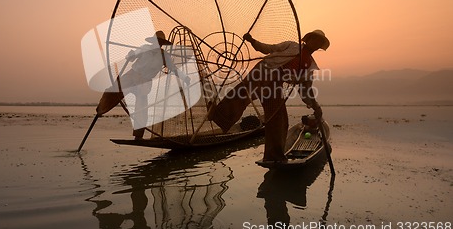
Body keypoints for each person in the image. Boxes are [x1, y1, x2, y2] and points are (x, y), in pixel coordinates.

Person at [208, 30, 330, 162]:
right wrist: (253, 41)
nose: (316, 43)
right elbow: (269, 49)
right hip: (263, 70)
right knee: (241, 95)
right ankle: (217, 114)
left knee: (278, 118)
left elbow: (306, 91)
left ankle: (274, 156)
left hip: (274, 83)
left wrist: (316, 106)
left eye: (319, 42)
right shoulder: (292, 45)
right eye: (315, 39)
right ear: (308, 39)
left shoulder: (310, 66)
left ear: (319, 47)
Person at [95, 30, 190, 139]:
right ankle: (101, 109)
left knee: (141, 107)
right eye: (156, 41)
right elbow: (131, 57)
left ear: (161, 44)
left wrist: (185, 78)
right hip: (132, 75)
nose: (157, 44)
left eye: (159, 42)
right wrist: (130, 55)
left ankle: (138, 136)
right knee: (113, 90)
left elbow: (173, 69)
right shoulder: (144, 48)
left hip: (144, 81)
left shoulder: (164, 56)